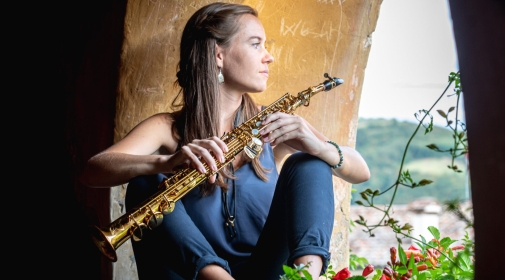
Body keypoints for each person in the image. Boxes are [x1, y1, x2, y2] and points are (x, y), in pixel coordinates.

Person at [79, 2, 370, 280]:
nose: (268, 56)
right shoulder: (167, 128)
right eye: (256, 44)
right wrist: (166, 162)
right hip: (197, 276)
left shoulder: (273, 123)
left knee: (310, 161)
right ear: (219, 55)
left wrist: (316, 145)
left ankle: (306, 276)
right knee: (144, 182)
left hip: (267, 273)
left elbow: (360, 171)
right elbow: (93, 171)